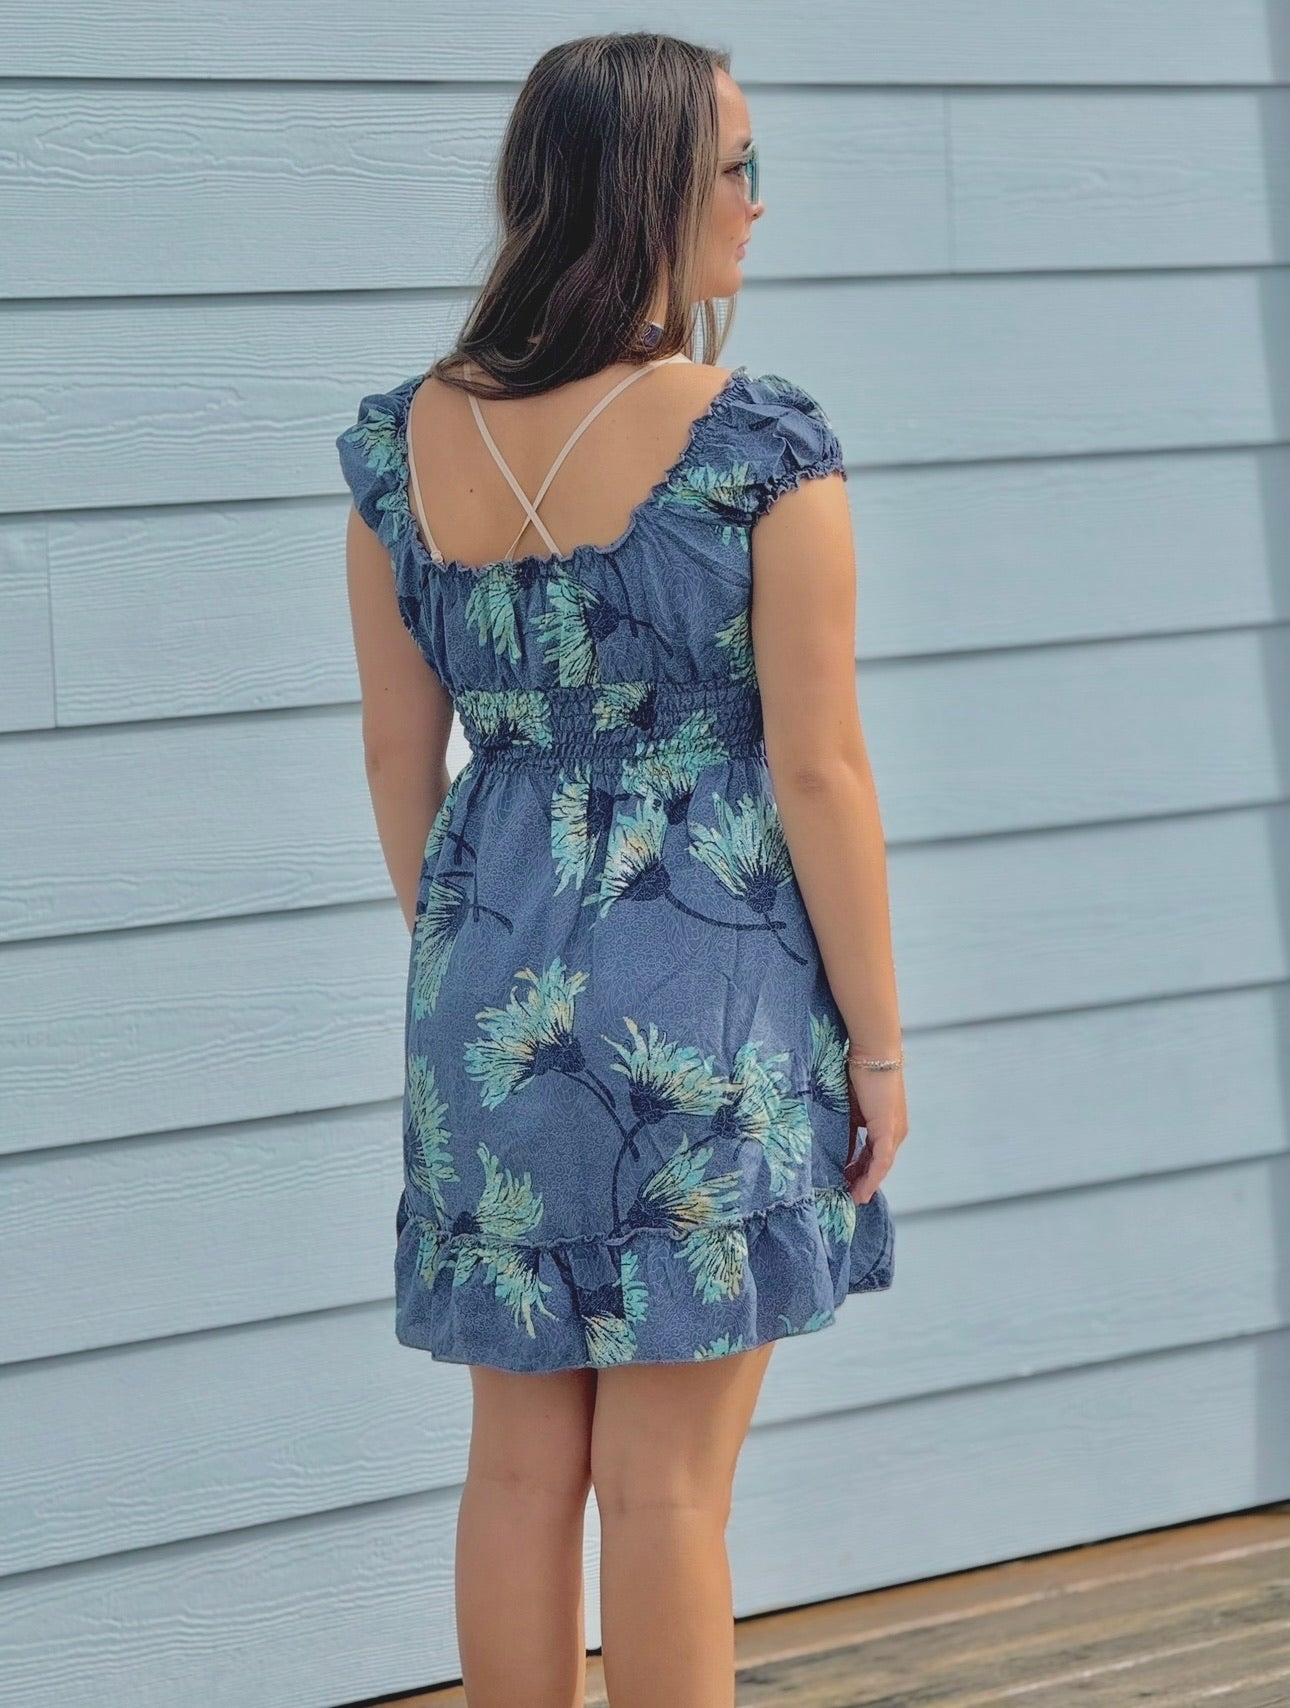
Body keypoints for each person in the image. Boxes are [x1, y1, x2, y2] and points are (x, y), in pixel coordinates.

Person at [336, 29, 908, 1708]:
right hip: (704, 988)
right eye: (735, 167)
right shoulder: (752, 445)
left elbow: (397, 757)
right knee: (665, 1488)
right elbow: (816, 766)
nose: (754, 203)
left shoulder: (398, 449)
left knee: (517, 1468)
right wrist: (874, 1043)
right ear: (654, 186)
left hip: (483, 990)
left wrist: (475, 948)